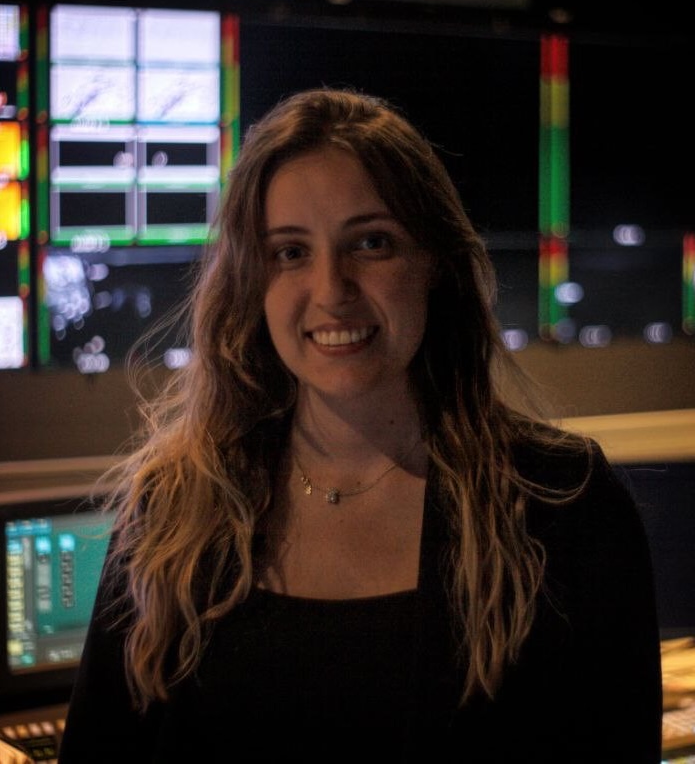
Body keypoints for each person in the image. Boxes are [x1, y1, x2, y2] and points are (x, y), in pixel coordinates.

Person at [58, 87, 662, 763]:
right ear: (252, 283)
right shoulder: (173, 509)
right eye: (290, 252)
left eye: (371, 243)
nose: (331, 290)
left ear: (434, 262)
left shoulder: (563, 503)